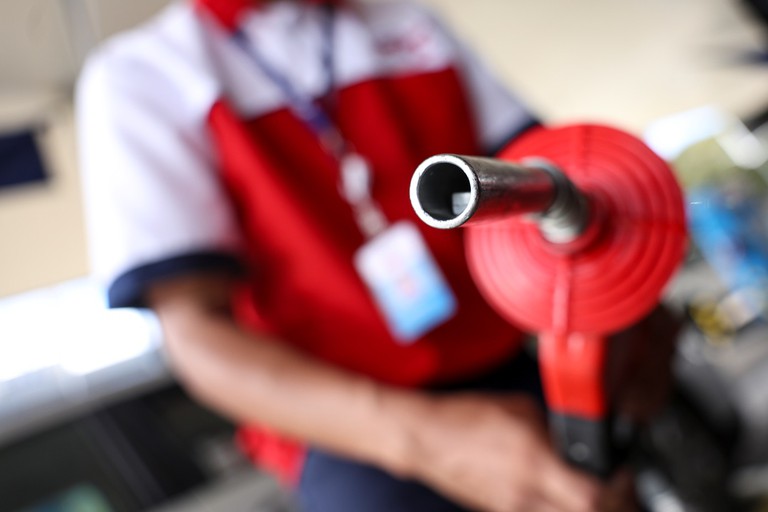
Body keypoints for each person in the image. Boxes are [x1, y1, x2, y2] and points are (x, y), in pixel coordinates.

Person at [76, 0, 670, 510]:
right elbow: (196, 338)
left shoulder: (405, 20)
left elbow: (551, 181)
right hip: (344, 426)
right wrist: (424, 440)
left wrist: (632, 309)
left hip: (513, 363)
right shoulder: (145, 76)